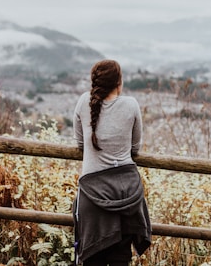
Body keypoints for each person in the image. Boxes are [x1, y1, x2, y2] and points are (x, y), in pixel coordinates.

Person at [73, 59, 151, 266]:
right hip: (125, 193)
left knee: (92, 258)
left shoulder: (83, 102)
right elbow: (135, 148)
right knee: (121, 258)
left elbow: (80, 143)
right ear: (119, 82)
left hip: (92, 195)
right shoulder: (131, 105)